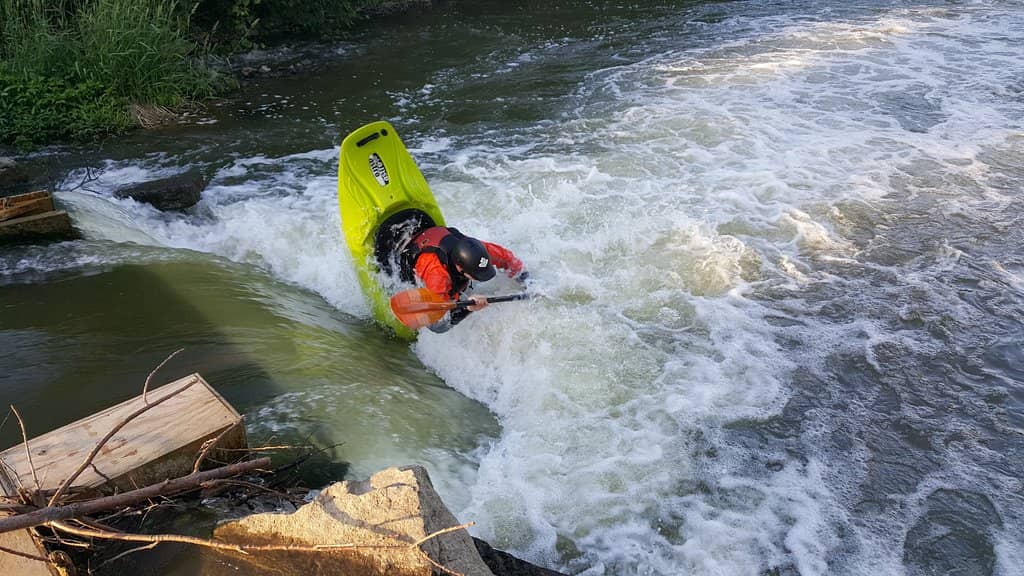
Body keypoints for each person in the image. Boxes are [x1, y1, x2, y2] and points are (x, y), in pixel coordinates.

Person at [402, 225, 527, 332]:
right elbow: (437, 325)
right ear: (460, 268)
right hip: (409, 260)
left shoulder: (479, 251)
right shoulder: (438, 277)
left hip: (427, 234)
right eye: (475, 274)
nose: (479, 276)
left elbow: (508, 259)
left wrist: (526, 280)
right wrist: (467, 308)